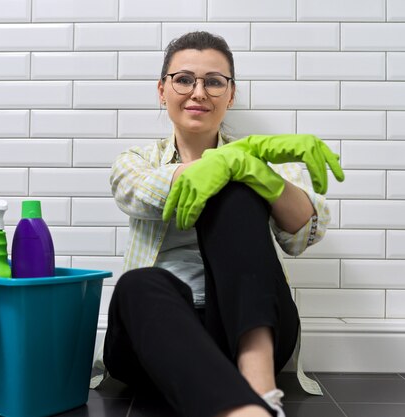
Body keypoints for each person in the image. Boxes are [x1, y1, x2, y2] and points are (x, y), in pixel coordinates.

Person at [102, 31, 344, 417]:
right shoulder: (136, 160)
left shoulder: (254, 162)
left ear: (231, 95)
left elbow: (303, 234)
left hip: (241, 329)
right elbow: (137, 193)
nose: (199, 92)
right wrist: (228, 161)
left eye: (214, 82)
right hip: (153, 332)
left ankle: (259, 397)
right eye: (184, 79)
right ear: (162, 90)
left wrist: (253, 171)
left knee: (237, 193)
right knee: (137, 283)